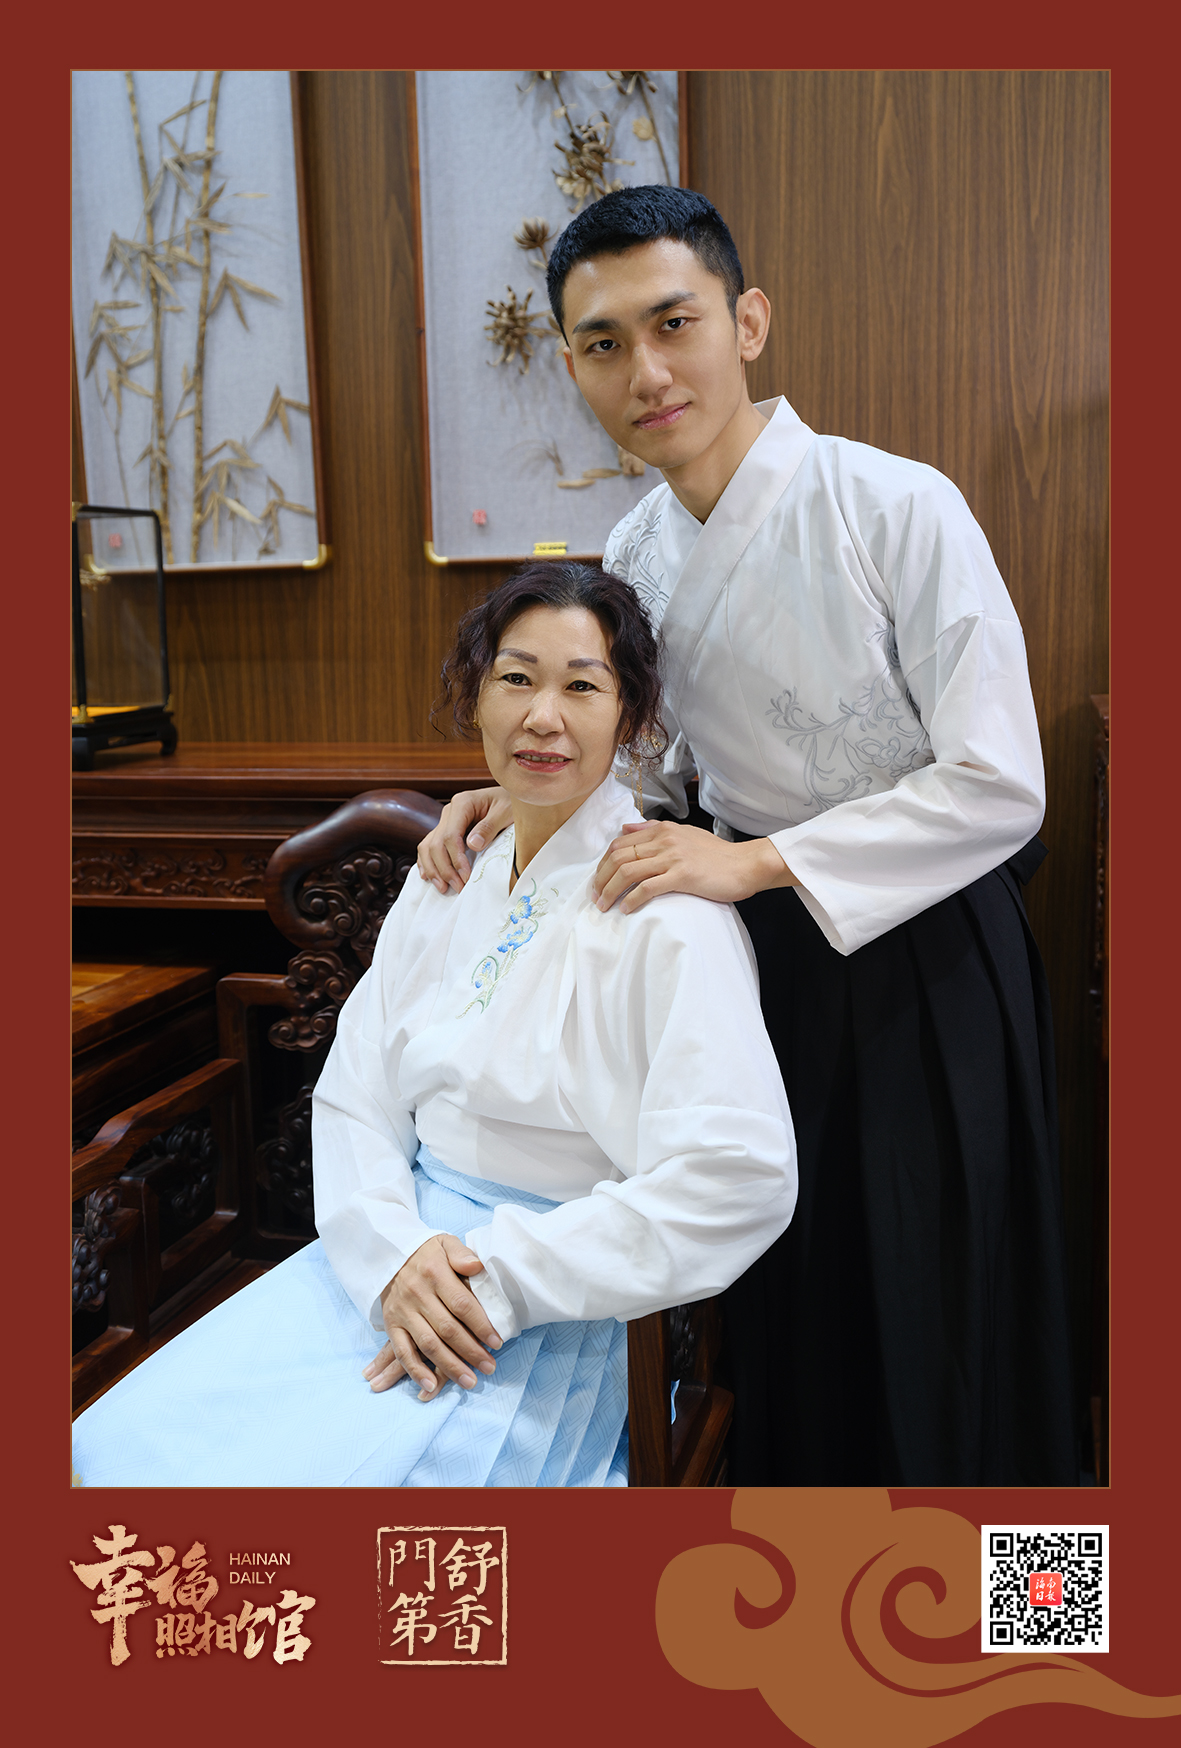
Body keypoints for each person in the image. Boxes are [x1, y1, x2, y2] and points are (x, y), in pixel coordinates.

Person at [416, 186, 1077, 1487]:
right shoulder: (637, 549)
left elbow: (1001, 781)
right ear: (572, 366)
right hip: (753, 962)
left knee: (943, 1297)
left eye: (675, 324)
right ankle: (810, 1590)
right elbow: (647, 770)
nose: (646, 372)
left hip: (926, 949)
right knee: (796, 1302)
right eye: (604, 343)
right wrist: (520, 798)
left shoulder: (895, 504)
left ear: (748, 321)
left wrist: (764, 860)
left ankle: (1012, 1600)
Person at [71, 562, 796, 1488]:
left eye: (582, 687)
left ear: (634, 721)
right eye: (516, 678)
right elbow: (355, 1097)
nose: (542, 716)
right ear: (476, 695)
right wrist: (391, 1255)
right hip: (385, 1245)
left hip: (548, 1287)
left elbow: (740, 1177)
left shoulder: (672, 910)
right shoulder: (450, 871)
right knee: (116, 1449)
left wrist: (494, 1280)